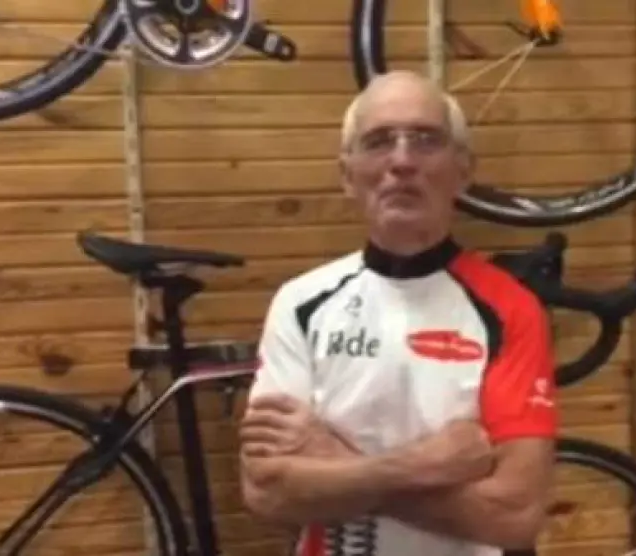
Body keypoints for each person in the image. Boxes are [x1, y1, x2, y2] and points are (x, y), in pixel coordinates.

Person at [236, 70, 557, 556]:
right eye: (379, 141)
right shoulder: (301, 303)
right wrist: (421, 465)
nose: (402, 161)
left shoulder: (510, 309)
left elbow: (515, 517)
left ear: (463, 170)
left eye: (426, 140)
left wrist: (333, 461)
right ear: (348, 175)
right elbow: (266, 492)